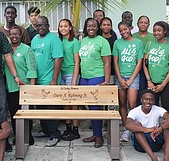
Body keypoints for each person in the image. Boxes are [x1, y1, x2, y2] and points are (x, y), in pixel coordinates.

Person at [125, 89, 169, 161]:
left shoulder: (158, 109)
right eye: (146, 99)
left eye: (151, 99)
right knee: (137, 126)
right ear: (141, 100)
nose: (148, 102)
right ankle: (154, 160)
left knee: (167, 125)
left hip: (156, 141)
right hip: (141, 144)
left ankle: (166, 160)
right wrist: (148, 129)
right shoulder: (134, 111)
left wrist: (160, 128)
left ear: (154, 101)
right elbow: (127, 124)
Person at [79, 17, 112, 148]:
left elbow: (107, 62)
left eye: (93, 26)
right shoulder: (82, 41)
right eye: (88, 26)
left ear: (97, 27)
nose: (91, 28)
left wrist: (107, 80)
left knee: (95, 107)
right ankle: (95, 133)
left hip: (97, 76)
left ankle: (99, 137)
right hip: (84, 77)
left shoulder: (102, 42)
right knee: (88, 106)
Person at [31, 16, 64, 146]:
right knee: (40, 107)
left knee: (51, 108)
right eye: (38, 26)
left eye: (42, 25)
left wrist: (54, 80)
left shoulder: (54, 39)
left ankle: (54, 134)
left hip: (49, 80)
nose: (40, 27)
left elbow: (58, 59)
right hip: (37, 80)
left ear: (48, 25)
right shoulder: (34, 39)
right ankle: (45, 130)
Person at [4, 26, 37, 144]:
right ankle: (18, 136)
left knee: (26, 113)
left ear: (21, 35)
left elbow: (32, 68)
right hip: (10, 87)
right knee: (14, 113)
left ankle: (28, 136)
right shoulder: (5, 50)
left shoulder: (26, 49)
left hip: (24, 87)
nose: (14, 36)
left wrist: (31, 88)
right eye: (12, 34)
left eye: (17, 34)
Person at [113, 21, 144, 141]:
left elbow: (139, 62)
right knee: (122, 103)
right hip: (120, 77)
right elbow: (115, 61)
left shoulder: (138, 43)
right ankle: (126, 127)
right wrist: (120, 78)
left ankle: (132, 128)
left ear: (130, 28)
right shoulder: (117, 43)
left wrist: (131, 79)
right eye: (121, 30)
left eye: (125, 29)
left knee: (132, 104)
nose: (123, 32)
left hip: (133, 77)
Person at [143, 21, 169, 115]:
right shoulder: (149, 44)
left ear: (165, 31)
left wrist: (163, 85)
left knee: (166, 106)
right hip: (152, 82)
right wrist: (149, 81)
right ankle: (154, 128)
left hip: (166, 82)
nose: (156, 33)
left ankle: (167, 128)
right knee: (151, 106)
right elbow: (145, 65)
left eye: (159, 30)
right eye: (154, 30)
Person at [58, 18, 81, 141]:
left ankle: (75, 129)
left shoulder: (75, 42)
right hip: (61, 74)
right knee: (64, 102)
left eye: (65, 26)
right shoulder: (58, 41)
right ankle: (68, 127)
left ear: (70, 27)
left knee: (73, 102)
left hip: (71, 74)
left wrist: (74, 80)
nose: (63, 28)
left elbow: (77, 62)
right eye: (61, 26)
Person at [99, 16, 118, 82]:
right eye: (104, 25)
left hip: (112, 71)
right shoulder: (98, 40)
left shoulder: (115, 40)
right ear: (100, 26)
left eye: (108, 25)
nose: (106, 27)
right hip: (99, 71)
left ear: (111, 26)